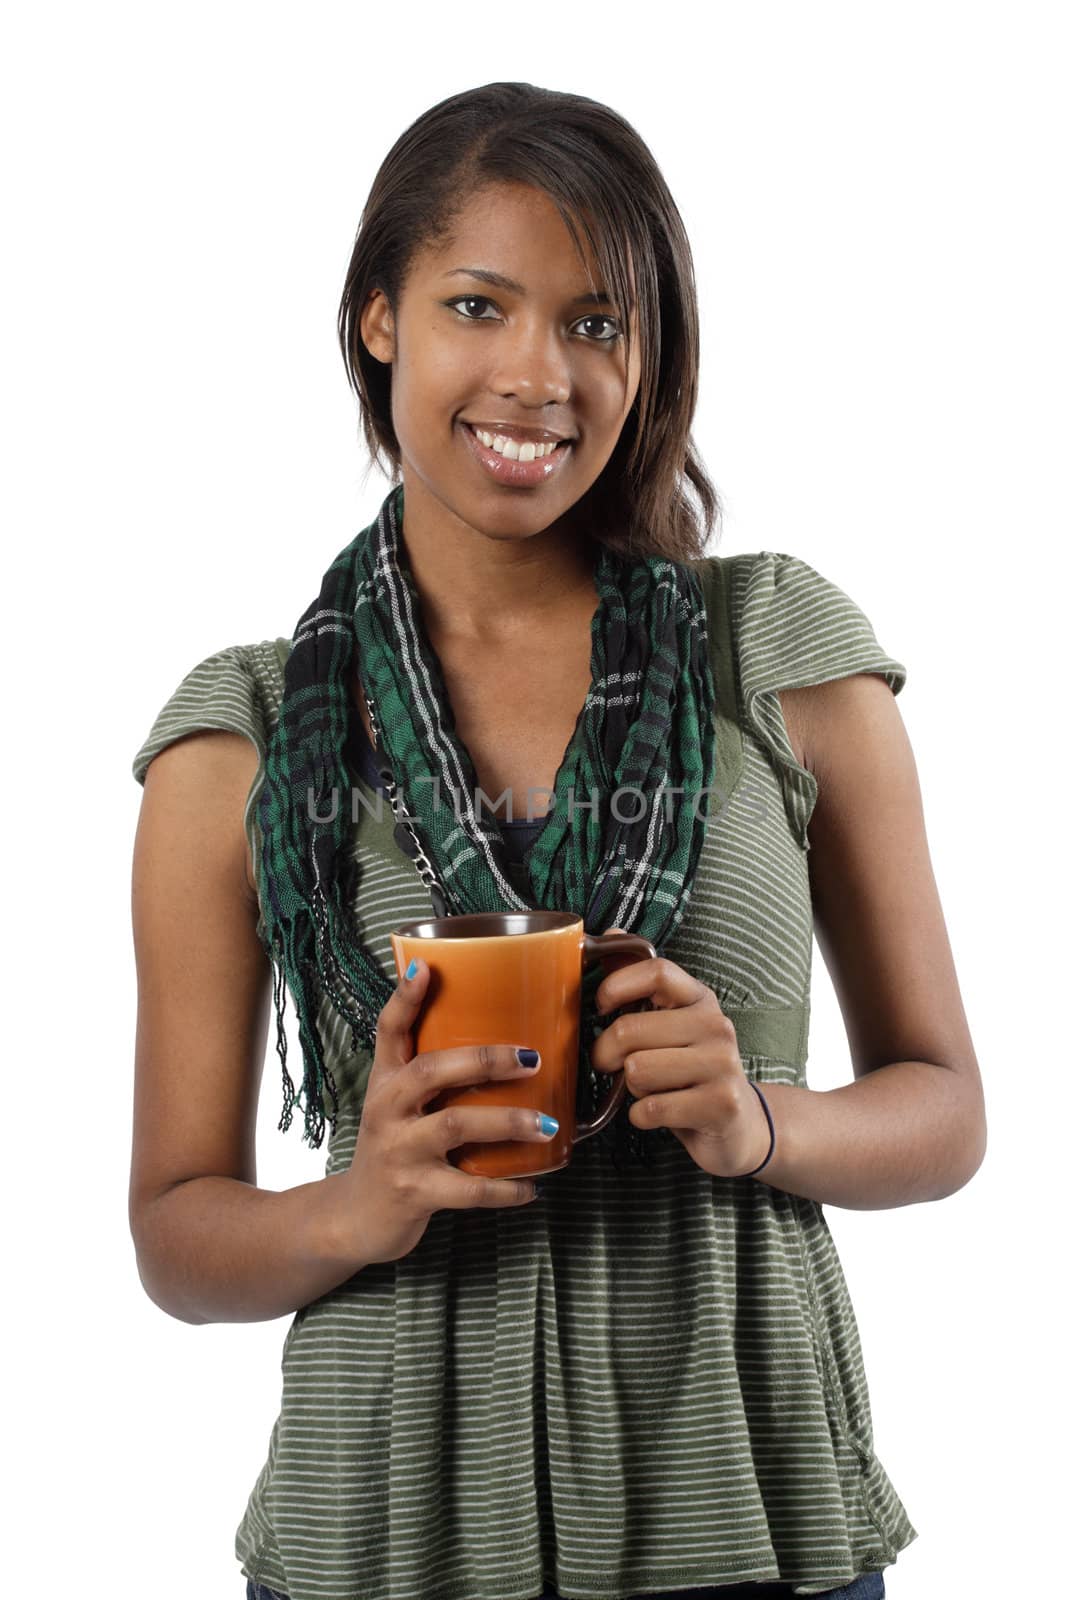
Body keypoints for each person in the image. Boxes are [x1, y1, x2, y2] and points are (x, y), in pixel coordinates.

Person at [128, 81, 986, 1600]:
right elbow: (176, 1232)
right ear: (378, 317)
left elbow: (944, 1110)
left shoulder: (775, 652)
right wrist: (358, 1200)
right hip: (383, 1526)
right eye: (479, 304)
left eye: (597, 324)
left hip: (740, 1489)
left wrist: (760, 1122)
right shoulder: (247, 731)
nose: (540, 377)